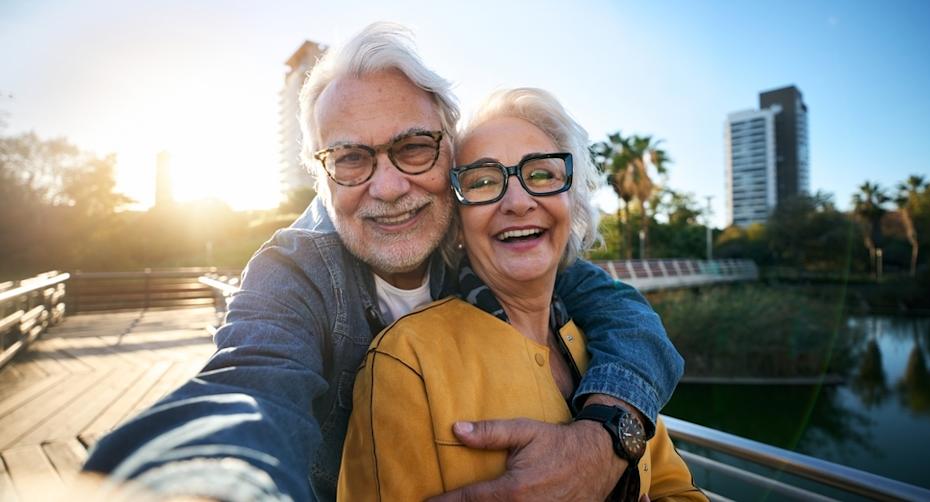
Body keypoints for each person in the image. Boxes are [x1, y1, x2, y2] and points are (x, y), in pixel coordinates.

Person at [82, 23, 684, 501]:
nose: (390, 187)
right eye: (350, 159)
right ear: (320, 175)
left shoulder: (487, 240)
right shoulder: (294, 273)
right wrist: (196, 481)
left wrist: (604, 437)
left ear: (450, 155)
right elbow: (251, 386)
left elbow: (624, 311)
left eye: (413, 147)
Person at [338, 88, 705, 501]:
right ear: (457, 221)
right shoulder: (406, 360)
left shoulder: (609, 353)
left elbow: (679, 488)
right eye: (482, 182)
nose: (518, 202)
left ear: (572, 201)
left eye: (542, 174)